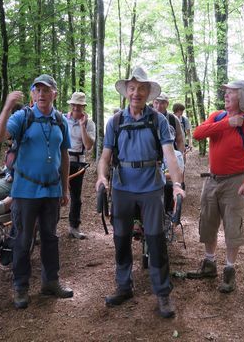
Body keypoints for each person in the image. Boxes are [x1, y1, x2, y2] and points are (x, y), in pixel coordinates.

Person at [95, 67, 185, 318]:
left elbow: (170, 155)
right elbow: (105, 156)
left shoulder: (158, 120)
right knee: (121, 239)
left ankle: (163, 293)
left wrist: (177, 184)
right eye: (132, 88)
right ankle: (124, 286)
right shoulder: (115, 122)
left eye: (141, 89)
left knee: (156, 240)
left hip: (151, 187)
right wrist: (102, 177)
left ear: (147, 93)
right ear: (126, 92)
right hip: (123, 188)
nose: (136, 93)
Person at [187, 80, 244, 293]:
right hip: (211, 179)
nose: (226, 95)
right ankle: (209, 264)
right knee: (208, 222)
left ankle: (229, 271)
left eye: (232, 92)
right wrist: (227, 124)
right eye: (226, 91)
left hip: (236, 181)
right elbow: (198, 134)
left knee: (232, 226)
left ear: (242, 97)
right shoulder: (217, 116)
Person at [0, 74, 73, 309]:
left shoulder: (60, 120)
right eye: (36, 90)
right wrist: (8, 105)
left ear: (54, 94)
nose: (41, 94)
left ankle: (51, 282)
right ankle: (21, 287)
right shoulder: (22, 116)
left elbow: (65, 155)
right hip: (25, 191)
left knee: (50, 237)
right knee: (22, 239)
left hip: (51, 192)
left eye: (46, 90)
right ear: (32, 94)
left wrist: (65, 188)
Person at [64, 92, 96, 239]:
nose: (76, 107)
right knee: (52, 194)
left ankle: (74, 227)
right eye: (74, 104)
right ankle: (43, 228)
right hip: (60, 160)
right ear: (71, 105)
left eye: (79, 105)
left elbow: (88, 146)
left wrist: (82, 127)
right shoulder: (62, 119)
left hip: (77, 162)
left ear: (84, 107)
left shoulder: (89, 124)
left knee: (76, 196)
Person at [152, 93, 185, 161]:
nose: (158, 106)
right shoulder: (146, 118)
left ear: (167, 104)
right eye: (156, 102)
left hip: (170, 157)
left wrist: (180, 156)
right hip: (151, 159)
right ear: (153, 103)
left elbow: (180, 140)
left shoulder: (173, 119)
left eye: (162, 103)